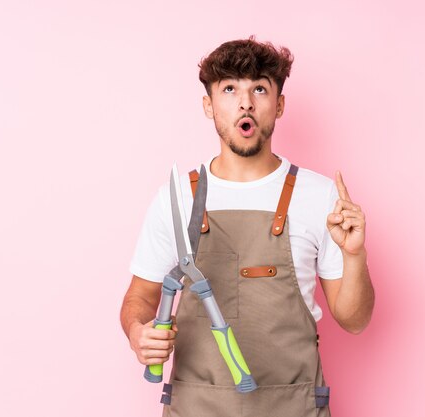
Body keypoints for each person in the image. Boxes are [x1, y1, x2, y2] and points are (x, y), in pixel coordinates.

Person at [120, 36, 374, 416]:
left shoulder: (319, 197)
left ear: (279, 104)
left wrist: (355, 256)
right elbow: (139, 297)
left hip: (293, 407)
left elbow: (354, 321)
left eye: (259, 88)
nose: (245, 102)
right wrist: (138, 332)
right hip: (196, 407)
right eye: (229, 89)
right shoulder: (176, 198)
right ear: (209, 105)